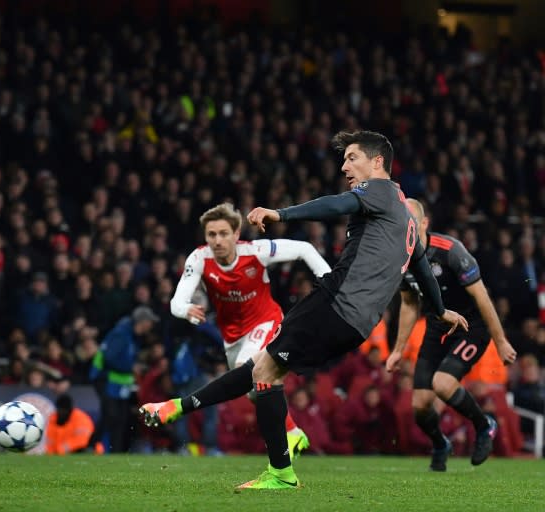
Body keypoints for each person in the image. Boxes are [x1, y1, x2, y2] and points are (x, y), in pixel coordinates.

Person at [140, 130, 468, 490]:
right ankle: (177, 408)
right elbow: (422, 269)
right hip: (358, 324)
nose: (345, 166)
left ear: (378, 162)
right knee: (263, 369)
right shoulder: (405, 220)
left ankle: (280, 471)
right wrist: (441, 311)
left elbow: (335, 205)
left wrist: (279, 213)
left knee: (262, 370)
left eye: (352, 158)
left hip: (336, 302)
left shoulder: (380, 190)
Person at [169, 202, 331, 457]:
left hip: (265, 321)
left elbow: (304, 249)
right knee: (254, 391)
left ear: (236, 234)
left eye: (223, 234)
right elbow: (176, 303)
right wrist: (186, 310)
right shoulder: (199, 258)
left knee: (252, 370)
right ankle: (292, 432)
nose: (217, 240)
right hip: (232, 337)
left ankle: (280, 453)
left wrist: (328, 281)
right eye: (212, 234)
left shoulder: (256, 251)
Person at [385, 198, 517, 470]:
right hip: (438, 326)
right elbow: (410, 303)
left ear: (423, 223)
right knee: (420, 405)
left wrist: (501, 341)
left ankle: (484, 425)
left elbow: (483, 299)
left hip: (471, 326)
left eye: (410, 219)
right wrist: (398, 350)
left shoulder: (451, 251)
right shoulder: (400, 258)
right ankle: (440, 444)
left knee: (443, 384)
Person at [91, 305, 159, 453]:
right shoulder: (121, 333)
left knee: (120, 417)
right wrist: (131, 367)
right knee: (111, 415)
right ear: (142, 322)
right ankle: (91, 446)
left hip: (119, 383)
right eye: (150, 322)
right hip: (105, 379)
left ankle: (116, 452)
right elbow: (109, 358)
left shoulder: (132, 336)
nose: (151, 326)